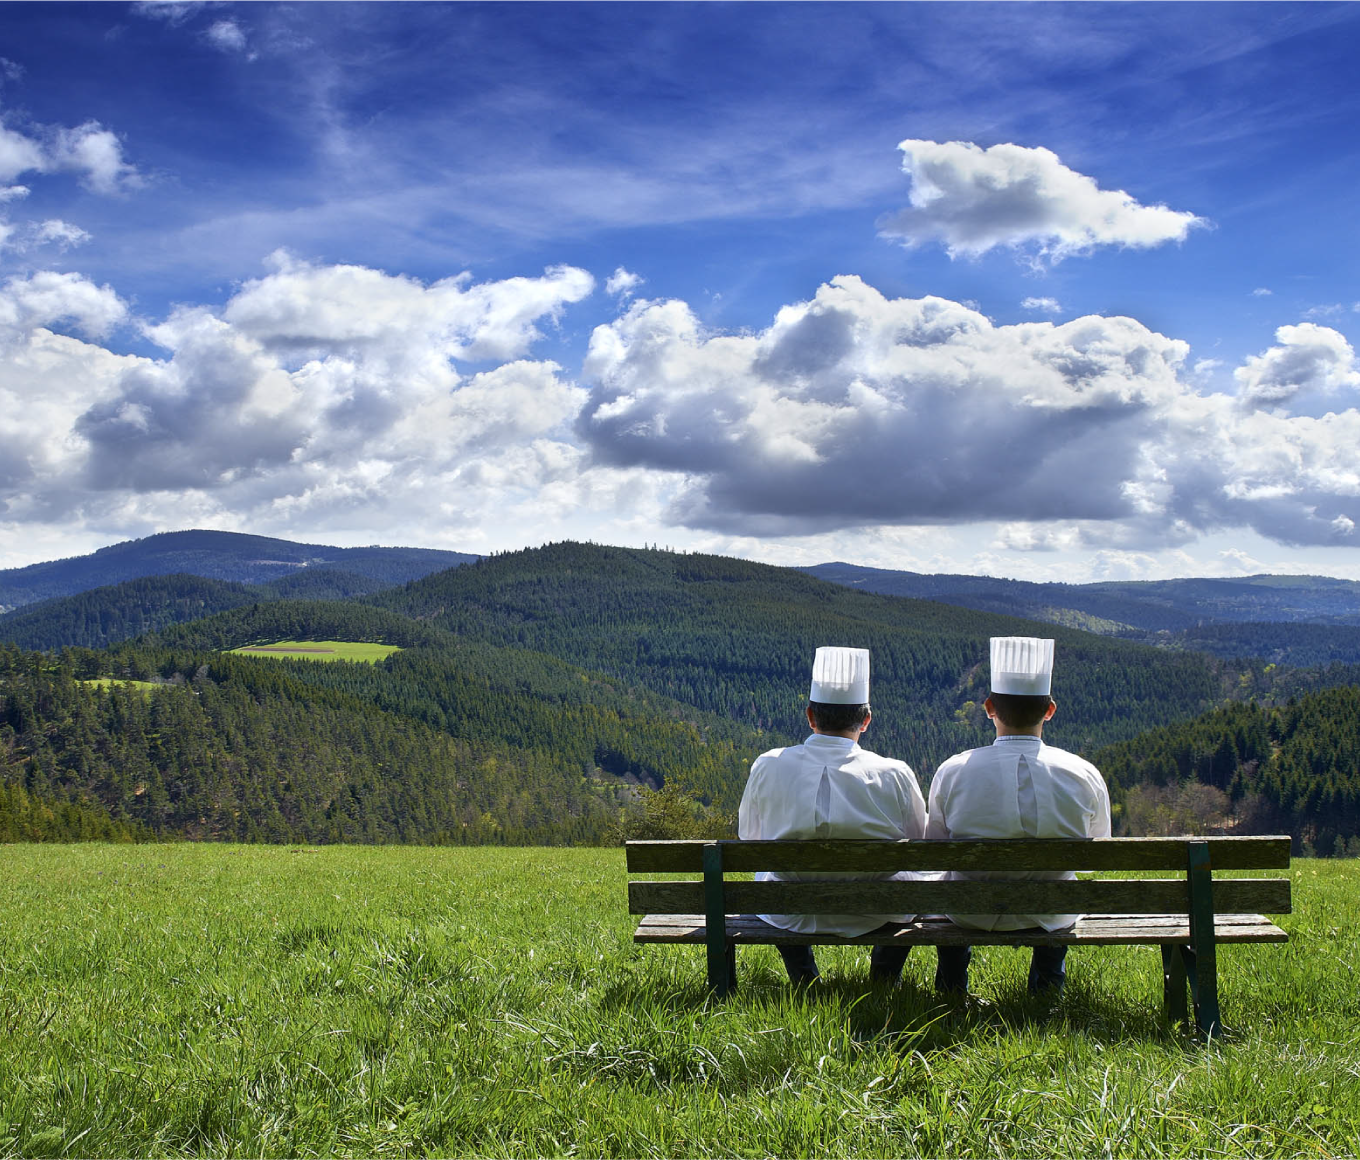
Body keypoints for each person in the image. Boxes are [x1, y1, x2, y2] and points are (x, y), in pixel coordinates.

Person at [925, 636, 1112, 996]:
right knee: (1059, 894)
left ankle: (951, 990)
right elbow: (1095, 856)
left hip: (969, 910)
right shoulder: (1084, 772)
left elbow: (934, 849)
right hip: (1051, 911)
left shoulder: (954, 770)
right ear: (1050, 710)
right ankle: (1046, 991)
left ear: (990, 707)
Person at [738, 646, 927, 985]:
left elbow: (749, 839)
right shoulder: (894, 772)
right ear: (866, 720)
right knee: (916, 878)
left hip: (790, 906)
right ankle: (885, 977)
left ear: (810, 716)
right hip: (878, 906)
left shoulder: (768, 764)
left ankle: (804, 977)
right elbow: (919, 843)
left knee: (765, 872)